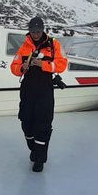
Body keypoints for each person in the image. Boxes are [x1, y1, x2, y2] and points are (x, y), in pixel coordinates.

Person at [9, 16, 68, 172]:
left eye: (38, 31)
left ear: (43, 30)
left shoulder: (54, 44)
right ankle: (33, 148)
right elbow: (13, 67)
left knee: (43, 124)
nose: (35, 34)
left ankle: (40, 159)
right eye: (33, 31)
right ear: (29, 31)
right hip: (27, 89)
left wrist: (43, 64)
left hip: (45, 89)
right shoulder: (24, 47)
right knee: (26, 122)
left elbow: (62, 64)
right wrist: (22, 67)